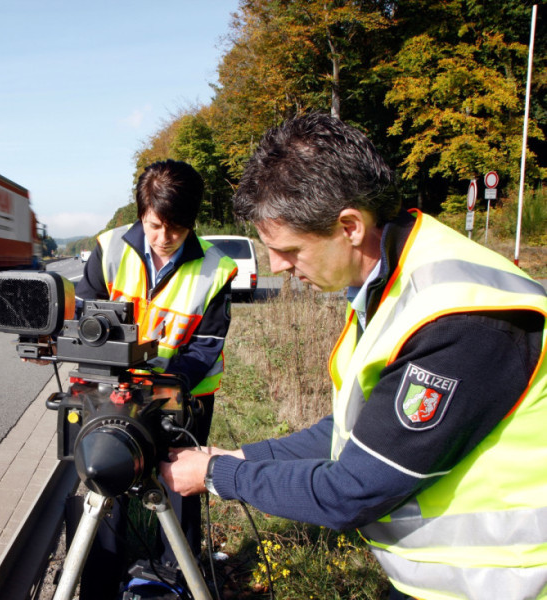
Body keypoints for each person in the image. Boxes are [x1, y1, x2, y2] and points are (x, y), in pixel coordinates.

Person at [159, 113, 547, 600]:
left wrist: (218, 474)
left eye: (290, 250)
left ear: (349, 226)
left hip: (504, 581)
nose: (278, 266)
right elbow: (353, 432)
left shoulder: (458, 316)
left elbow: (354, 489)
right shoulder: (394, 279)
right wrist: (240, 456)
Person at [73, 159, 238, 597]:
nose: (164, 238)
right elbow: (84, 317)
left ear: (193, 222)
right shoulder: (108, 248)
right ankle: (102, 581)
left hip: (185, 395)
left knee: (180, 483)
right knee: (107, 479)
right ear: (140, 212)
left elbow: (205, 346)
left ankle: (176, 576)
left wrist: (165, 383)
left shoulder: (217, 269)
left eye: (177, 228)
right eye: (154, 225)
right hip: (113, 388)